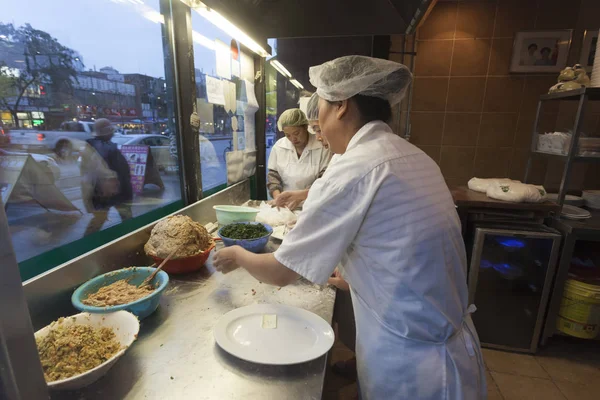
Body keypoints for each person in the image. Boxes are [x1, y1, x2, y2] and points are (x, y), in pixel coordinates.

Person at [214, 55, 485, 399]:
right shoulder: (413, 155)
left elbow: (281, 272)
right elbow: (401, 240)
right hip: (445, 343)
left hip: (411, 364)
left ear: (341, 105)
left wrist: (237, 253)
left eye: (320, 112)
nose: (320, 129)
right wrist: (358, 273)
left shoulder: (355, 167)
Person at [267, 108, 330, 205]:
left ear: (305, 127)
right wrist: (278, 198)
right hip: (286, 204)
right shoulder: (279, 147)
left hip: (313, 203)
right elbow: (273, 176)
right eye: (288, 135)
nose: (293, 139)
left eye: (296, 133)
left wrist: (299, 197)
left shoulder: (321, 145)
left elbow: (324, 179)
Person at [81, 118, 133, 236]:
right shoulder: (106, 148)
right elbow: (119, 171)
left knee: (100, 219)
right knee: (126, 217)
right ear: (107, 132)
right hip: (113, 192)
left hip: (101, 192)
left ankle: (87, 243)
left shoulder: (92, 147)